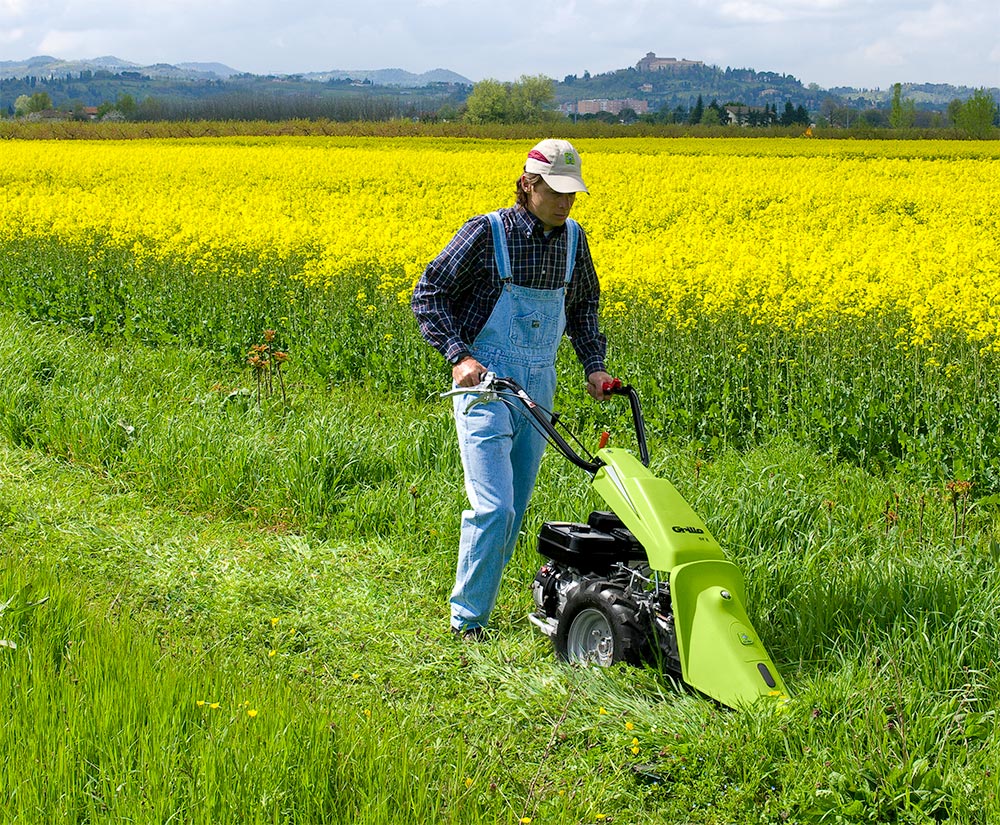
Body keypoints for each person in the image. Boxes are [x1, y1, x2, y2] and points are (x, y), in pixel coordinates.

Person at [412, 139, 613, 638]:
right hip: (485, 383)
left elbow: (583, 306)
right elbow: (428, 293)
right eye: (558, 191)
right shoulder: (488, 232)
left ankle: (484, 604)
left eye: (573, 193)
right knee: (494, 507)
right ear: (529, 184)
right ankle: (467, 622)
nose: (567, 202)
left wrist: (593, 366)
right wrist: (459, 357)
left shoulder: (574, 241)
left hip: (540, 382)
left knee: (515, 509)